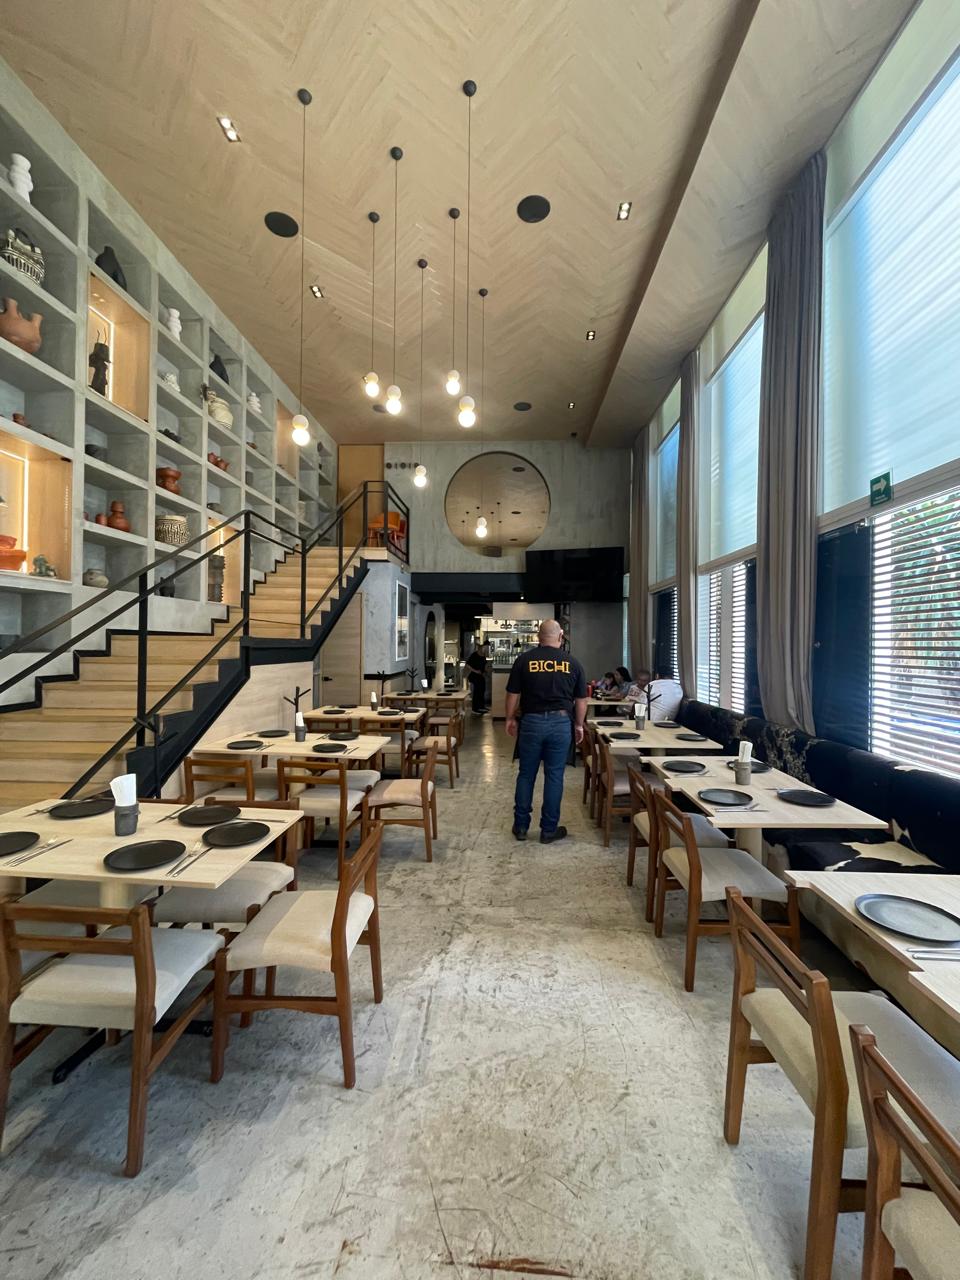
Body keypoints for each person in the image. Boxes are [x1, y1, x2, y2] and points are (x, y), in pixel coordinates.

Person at [504, 619, 587, 844]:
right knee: (554, 776)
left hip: (531, 722)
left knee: (526, 774)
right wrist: (579, 725)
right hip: (561, 724)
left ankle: (521, 826)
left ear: (538, 637)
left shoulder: (524, 660)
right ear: (560, 636)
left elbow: (512, 694)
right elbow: (581, 700)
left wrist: (510, 718)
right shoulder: (572, 662)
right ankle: (548, 830)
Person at [464, 642, 489, 714]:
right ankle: (475, 709)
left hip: (481, 676)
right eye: (484, 648)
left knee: (482, 690)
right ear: (480, 648)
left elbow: (484, 665)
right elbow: (467, 665)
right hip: (474, 676)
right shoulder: (474, 655)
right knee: (477, 691)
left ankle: (481, 706)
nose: (485, 649)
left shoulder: (483, 656)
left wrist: (486, 670)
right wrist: (476, 671)